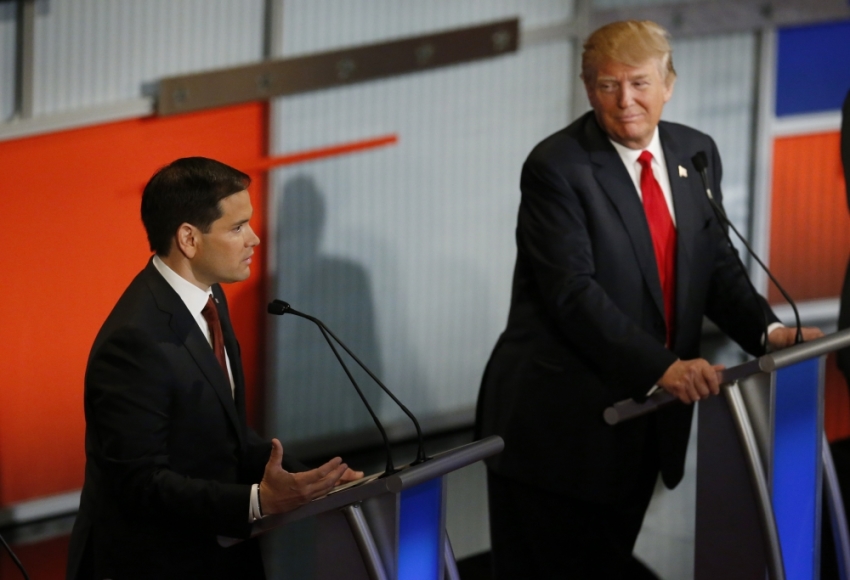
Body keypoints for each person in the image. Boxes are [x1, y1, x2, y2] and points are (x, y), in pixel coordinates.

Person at [474, 20, 822, 578]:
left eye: (639, 83)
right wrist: (664, 367)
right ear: (589, 90)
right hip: (557, 432)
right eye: (608, 85)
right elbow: (572, 294)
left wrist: (769, 332)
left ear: (668, 84)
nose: (626, 101)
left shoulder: (694, 152)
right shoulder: (557, 167)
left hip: (642, 423)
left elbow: (715, 265)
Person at [66, 157, 362, 579]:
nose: (254, 239)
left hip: (216, 552)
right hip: (153, 565)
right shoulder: (134, 341)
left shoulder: (210, 298)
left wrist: (312, 480)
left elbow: (227, 437)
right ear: (189, 238)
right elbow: (140, 483)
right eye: (237, 227)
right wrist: (258, 501)